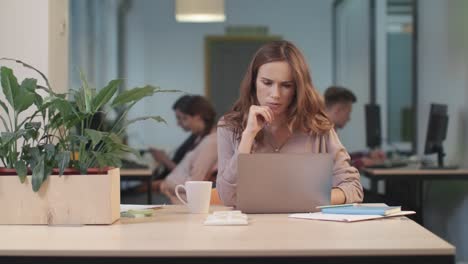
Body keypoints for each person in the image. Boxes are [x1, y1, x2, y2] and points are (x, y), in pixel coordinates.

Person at [216, 40, 363, 207]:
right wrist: (248, 137)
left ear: (297, 89)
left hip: (307, 228)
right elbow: (227, 196)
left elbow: (353, 187)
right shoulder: (229, 126)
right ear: (253, 82)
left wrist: (312, 198)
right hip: (253, 228)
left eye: (286, 85)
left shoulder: (317, 126)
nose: (275, 94)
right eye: (267, 83)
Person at [157, 95, 218, 203]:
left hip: (181, 199)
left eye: (184, 118)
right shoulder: (199, 138)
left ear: (199, 117)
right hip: (174, 195)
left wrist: (167, 184)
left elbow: (195, 183)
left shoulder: (211, 142)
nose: (179, 123)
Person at [324, 86, 386, 169]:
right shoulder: (321, 134)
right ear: (338, 110)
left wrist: (367, 155)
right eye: (348, 113)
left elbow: (341, 159)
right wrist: (360, 162)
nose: (349, 118)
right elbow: (332, 169)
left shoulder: (328, 131)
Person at [149, 95, 199, 180]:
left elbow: (187, 176)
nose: (178, 123)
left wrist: (164, 159)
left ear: (196, 117)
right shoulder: (194, 137)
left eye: (182, 118)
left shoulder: (205, 141)